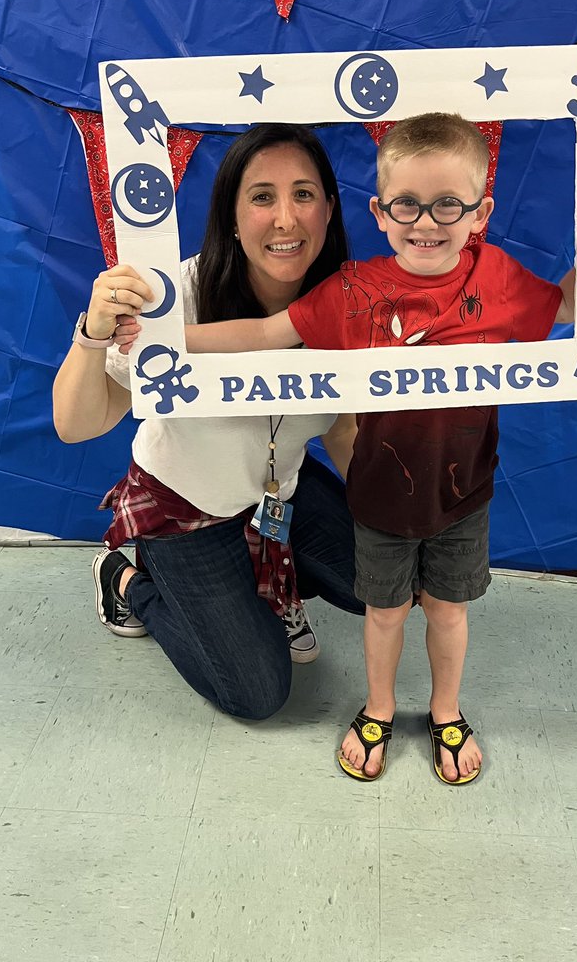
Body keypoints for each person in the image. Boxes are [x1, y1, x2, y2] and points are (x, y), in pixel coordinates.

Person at [174, 113, 577, 784]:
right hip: (379, 498)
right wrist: (168, 338)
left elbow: (570, 307)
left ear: (480, 212)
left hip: (463, 495)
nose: (427, 221)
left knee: (448, 612)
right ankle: (378, 709)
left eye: (447, 204)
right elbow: (265, 332)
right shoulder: (353, 292)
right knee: (386, 613)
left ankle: (447, 712)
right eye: (408, 205)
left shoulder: (500, 279)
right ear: (380, 210)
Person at [53, 124, 363, 720]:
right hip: (185, 513)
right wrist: (93, 332)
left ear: (330, 207)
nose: (285, 219)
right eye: (262, 196)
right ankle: (126, 579)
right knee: (258, 692)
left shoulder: (352, 302)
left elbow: (343, 428)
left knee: (389, 579)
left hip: (275, 495)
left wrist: (400, 531)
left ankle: (272, 585)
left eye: (303, 193)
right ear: (231, 211)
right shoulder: (178, 298)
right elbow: (74, 425)